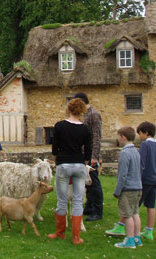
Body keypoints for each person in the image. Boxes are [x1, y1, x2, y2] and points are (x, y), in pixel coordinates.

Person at [48, 98, 92, 245]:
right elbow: (88, 150)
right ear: (81, 112)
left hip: (63, 163)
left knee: (62, 200)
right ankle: (76, 237)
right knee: (78, 200)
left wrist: (56, 161)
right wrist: (83, 163)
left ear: (68, 109)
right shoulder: (86, 129)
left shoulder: (60, 126)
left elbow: (55, 147)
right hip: (79, 165)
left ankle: (60, 233)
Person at [74, 92, 104, 222]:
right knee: (87, 183)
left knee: (94, 182)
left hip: (92, 154)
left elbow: (97, 137)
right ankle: (90, 206)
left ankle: (97, 210)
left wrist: (94, 156)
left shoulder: (94, 114)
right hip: (84, 153)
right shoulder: (85, 114)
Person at [111, 127, 143, 249]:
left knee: (127, 214)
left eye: (119, 136)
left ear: (123, 137)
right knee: (135, 212)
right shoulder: (136, 151)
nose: (118, 139)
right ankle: (137, 237)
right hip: (138, 187)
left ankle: (129, 240)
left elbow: (122, 175)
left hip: (128, 188)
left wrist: (117, 191)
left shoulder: (125, 153)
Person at [137, 121, 156, 241]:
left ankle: (129, 229)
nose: (139, 136)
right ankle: (149, 231)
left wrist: (137, 178)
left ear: (146, 133)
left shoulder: (145, 145)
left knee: (134, 206)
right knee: (151, 206)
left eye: (140, 133)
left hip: (144, 180)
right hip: (155, 180)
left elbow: (141, 163)